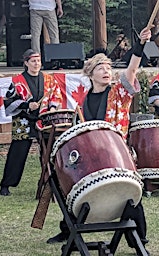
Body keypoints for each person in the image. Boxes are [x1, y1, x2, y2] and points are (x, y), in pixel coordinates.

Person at [46, 27, 152, 254]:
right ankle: (68, 229)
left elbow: (132, 69)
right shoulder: (81, 103)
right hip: (92, 154)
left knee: (129, 195)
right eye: (100, 68)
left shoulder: (119, 93)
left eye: (109, 67)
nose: (106, 71)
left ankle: (139, 237)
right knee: (69, 183)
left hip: (116, 151)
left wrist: (140, 44)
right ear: (90, 73)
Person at [0, 49, 63, 196]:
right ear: (26, 63)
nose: (36, 64)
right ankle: (6, 184)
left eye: (38, 61)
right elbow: (9, 101)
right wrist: (26, 105)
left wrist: (52, 107)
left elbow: (56, 96)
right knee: (18, 152)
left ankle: (52, 182)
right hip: (23, 119)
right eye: (33, 61)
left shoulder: (49, 79)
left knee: (49, 150)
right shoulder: (17, 81)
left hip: (44, 118)